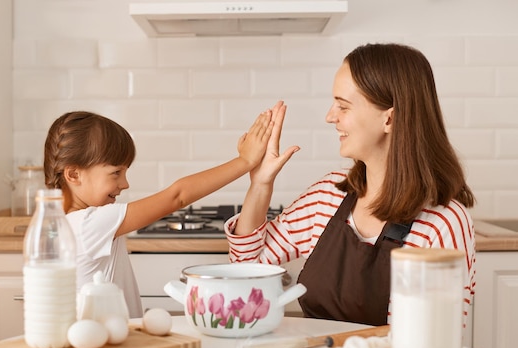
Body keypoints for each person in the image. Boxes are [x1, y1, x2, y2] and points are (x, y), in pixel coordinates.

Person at [225, 43, 476, 326]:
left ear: (389, 118)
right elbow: (246, 272)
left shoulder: (442, 224)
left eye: (343, 106)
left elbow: (430, 345)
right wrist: (260, 184)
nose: (330, 116)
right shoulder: (327, 195)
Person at [43, 105, 278, 318]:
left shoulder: (64, 224)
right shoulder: (88, 223)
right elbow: (178, 196)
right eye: (116, 173)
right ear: (74, 175)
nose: (125, 184)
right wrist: (245, 161)